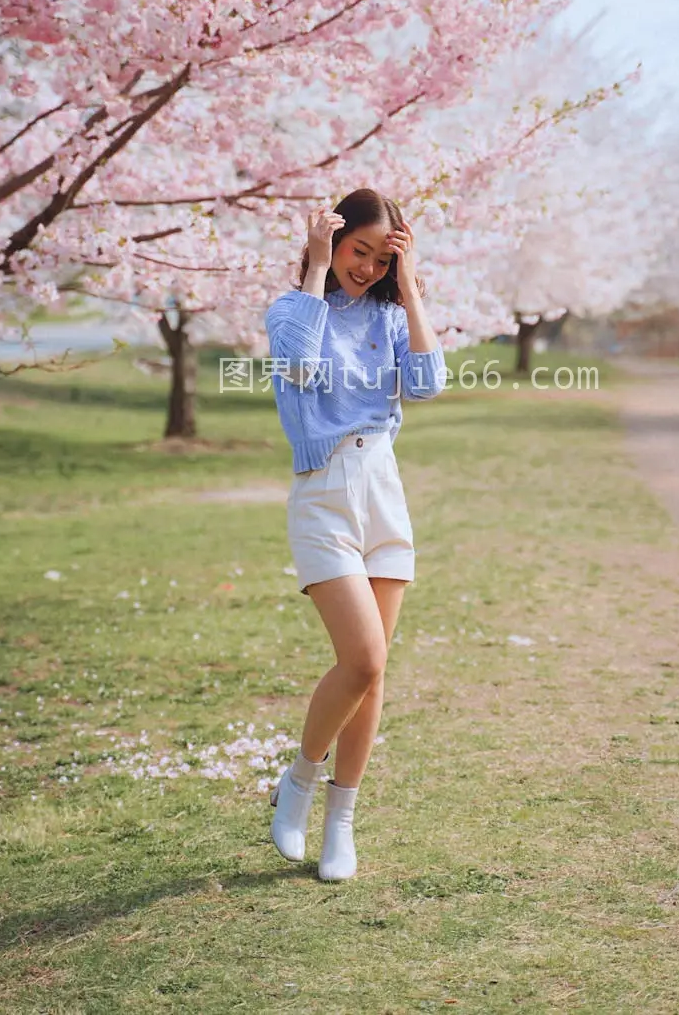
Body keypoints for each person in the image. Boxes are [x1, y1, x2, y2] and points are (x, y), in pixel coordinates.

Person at [264, 188, 447, 881]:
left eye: (379, 257)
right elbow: (301, 367)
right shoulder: (292, 308)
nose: (365, 268)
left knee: (374, 677)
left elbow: (426, 387)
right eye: (356, 252)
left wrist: (412, 289)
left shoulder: (391, 317)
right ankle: (300, 782)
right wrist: (314, 269)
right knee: (363, 660)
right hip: (323, 495)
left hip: (383, 492)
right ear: (334, 243)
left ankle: (341, 822)